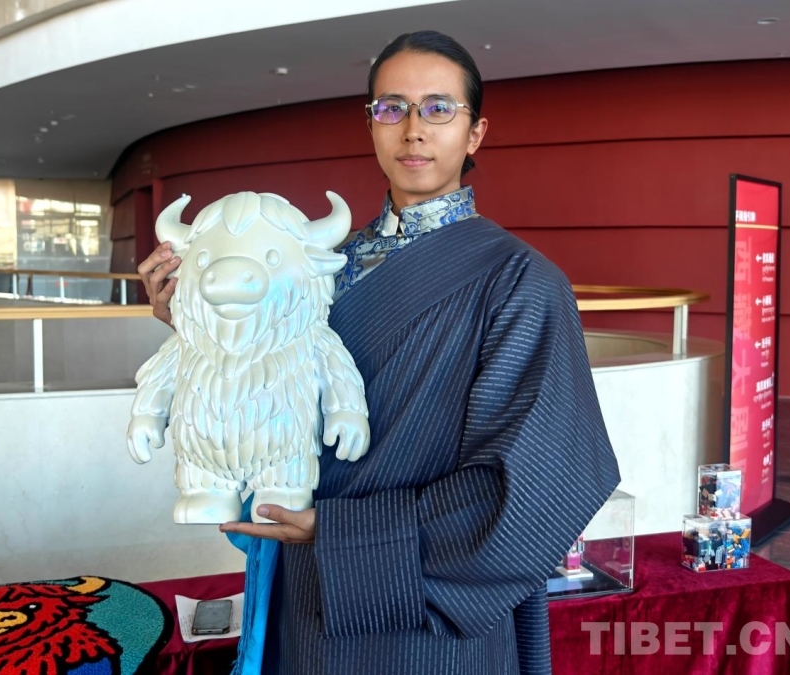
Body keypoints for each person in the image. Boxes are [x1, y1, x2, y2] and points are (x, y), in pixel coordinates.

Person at [138, 30, 620, 675]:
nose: (413, 129)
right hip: (306, 585)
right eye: (392, 108)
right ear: (371, 124)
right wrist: (193, 321)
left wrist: (339, 533)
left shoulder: (521, 282)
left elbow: (538, 481)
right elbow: (264, 384)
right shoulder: (321, 265)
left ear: (475, 133)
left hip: (422, 608)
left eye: (438, 108)